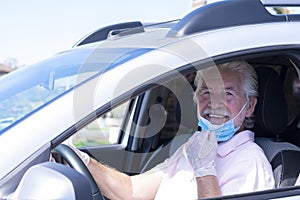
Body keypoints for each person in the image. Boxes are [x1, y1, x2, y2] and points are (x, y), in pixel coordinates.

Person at [68, 60, 275, 199]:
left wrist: (205, 172)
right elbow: (132, 191)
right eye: (206, 92)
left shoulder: (251, 162)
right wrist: (83, 160)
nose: (215, 103)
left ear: (249, 106)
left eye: (228, 94)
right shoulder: (195, 145)